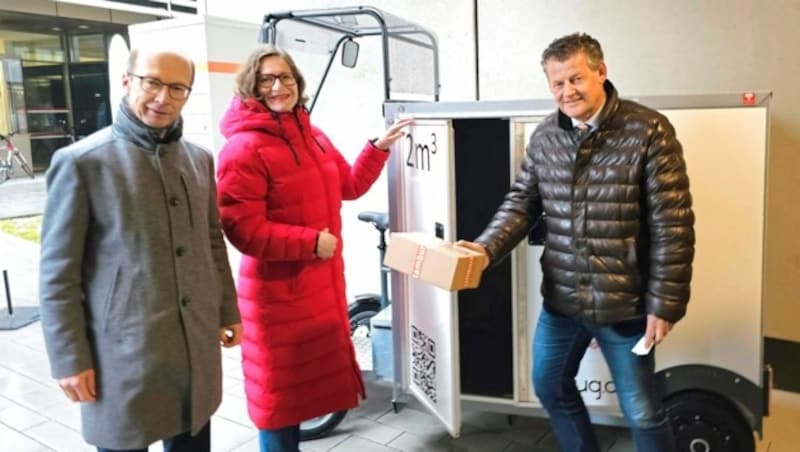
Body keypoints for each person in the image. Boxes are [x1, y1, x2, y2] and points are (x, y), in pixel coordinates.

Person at [458, 33, 694, 452]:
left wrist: (665, 303)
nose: (567, 91)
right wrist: (485, 247)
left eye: (576, 78)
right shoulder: (546, 135)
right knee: (549, 386)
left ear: (601, 72)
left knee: (641, 411)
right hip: (562, 302)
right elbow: (521, 203)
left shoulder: (649, 130)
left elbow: (672, 225)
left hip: (626, 307)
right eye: (557, 83)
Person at [39, 47, 242, 452]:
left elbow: (211, 240)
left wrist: (227, 311)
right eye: (152, 83)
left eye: (177, 88)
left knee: (192, 436)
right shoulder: (82, 163)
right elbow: (57, 274)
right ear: (127, 81)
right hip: (122, 353)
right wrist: (69, 359)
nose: (163, 97)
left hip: (193, 347)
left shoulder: (198, 160)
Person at [215, 44, 412, 452]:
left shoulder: (312, 135)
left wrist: (379, 147)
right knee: (278, 405)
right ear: (251, 86)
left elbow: (349, 185)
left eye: (285, 77)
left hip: (316, 291)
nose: (278, 86)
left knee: (301, 400)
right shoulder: (242, 149)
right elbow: (243, 230)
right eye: (266, 79)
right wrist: (310, 242)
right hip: (276, 300)